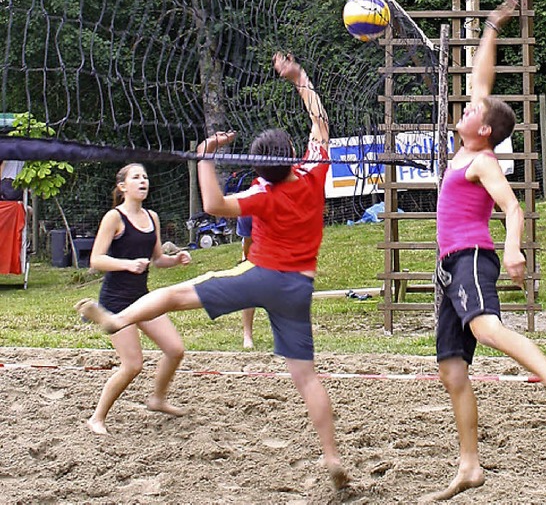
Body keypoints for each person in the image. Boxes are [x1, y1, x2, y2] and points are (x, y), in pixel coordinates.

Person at [76, 52, 349, 491]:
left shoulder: (261, 195)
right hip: (299, 287)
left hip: (260, 274)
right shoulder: (313, 171)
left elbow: (213, 206)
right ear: (290, 156)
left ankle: (118, 318)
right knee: (307, 377)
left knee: (173, 296)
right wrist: (300, 76)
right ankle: (332, 456)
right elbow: (320, 124)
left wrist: (204, 157)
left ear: (257, 167)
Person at [427, 0, 546, 501]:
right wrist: (493, 25)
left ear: (486, 130)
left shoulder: (484, 160)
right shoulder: (465, 146)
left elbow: (512, 209)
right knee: (452, 368)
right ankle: (470, 465)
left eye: (473, 112)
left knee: (486, 327)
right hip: (449, 268)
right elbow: (481, 81)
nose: (467, 106)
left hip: (474, 256)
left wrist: (514, 249)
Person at [83, 163, 192, 435]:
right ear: (123, 187)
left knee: (175, 350)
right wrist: (127, 264)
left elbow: (157, 259)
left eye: (145, 176)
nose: (143, 181)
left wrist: (176, 260)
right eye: (136, 177)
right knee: (133, 365)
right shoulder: (114, 217)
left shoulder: (151, 217)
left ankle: (157, 399)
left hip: (141, 298)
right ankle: (97, 417)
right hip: (115, 303)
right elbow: (96, 260)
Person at [235, 214, 255, 349]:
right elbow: (248, 242)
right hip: (253, 247)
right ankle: (247, 336)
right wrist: (247, 263)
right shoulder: (247, 213)